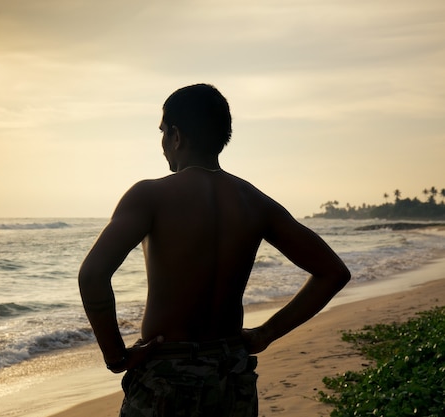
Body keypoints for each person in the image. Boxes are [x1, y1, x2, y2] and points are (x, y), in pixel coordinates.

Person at [78, 83, 351, 416]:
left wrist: (116, 356)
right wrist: (266, 333)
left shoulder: (149, 196)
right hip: (231, 375)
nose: (162, 144)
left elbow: (92, 275)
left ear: (176, 136)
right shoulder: (254, 201)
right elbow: (333, 272)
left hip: (167, 376)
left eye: (163, 132)